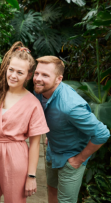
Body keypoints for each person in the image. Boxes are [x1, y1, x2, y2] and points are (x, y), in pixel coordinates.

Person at [0, 41, 50, 203]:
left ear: (29, 75)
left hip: (16, 156)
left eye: (20, 72)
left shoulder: (33, 104)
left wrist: (31, 176)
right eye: (11, 70)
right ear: (6, 68)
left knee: (14, 200)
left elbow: (36, 144)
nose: (14, 76)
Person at [33, 56, 110, 203]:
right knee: (51, 190)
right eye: (37, 73)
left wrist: (79, 159)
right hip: (53, 149)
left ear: (58, 79)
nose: (38, 78)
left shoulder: (71, 106)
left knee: (65, 201)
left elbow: (102, 133)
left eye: (45, 75)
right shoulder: (40, 90)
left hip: (71, 157)